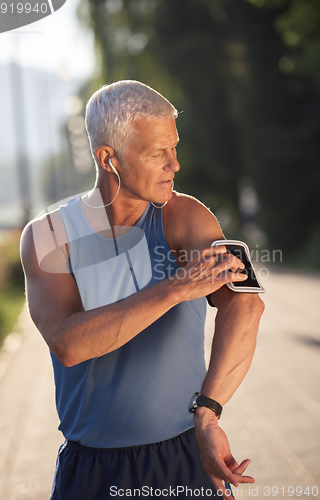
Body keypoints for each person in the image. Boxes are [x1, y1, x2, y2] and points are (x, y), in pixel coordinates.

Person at [20, 80, 264, 500]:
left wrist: (208, 413)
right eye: (158, 154)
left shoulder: (186, 217)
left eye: (175, 148)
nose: (175, 165)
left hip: (184, 455)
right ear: (108, 159)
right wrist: (174, 288)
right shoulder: (47, 236)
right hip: (91, 469)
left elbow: (246, 306)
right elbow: (68, 344)